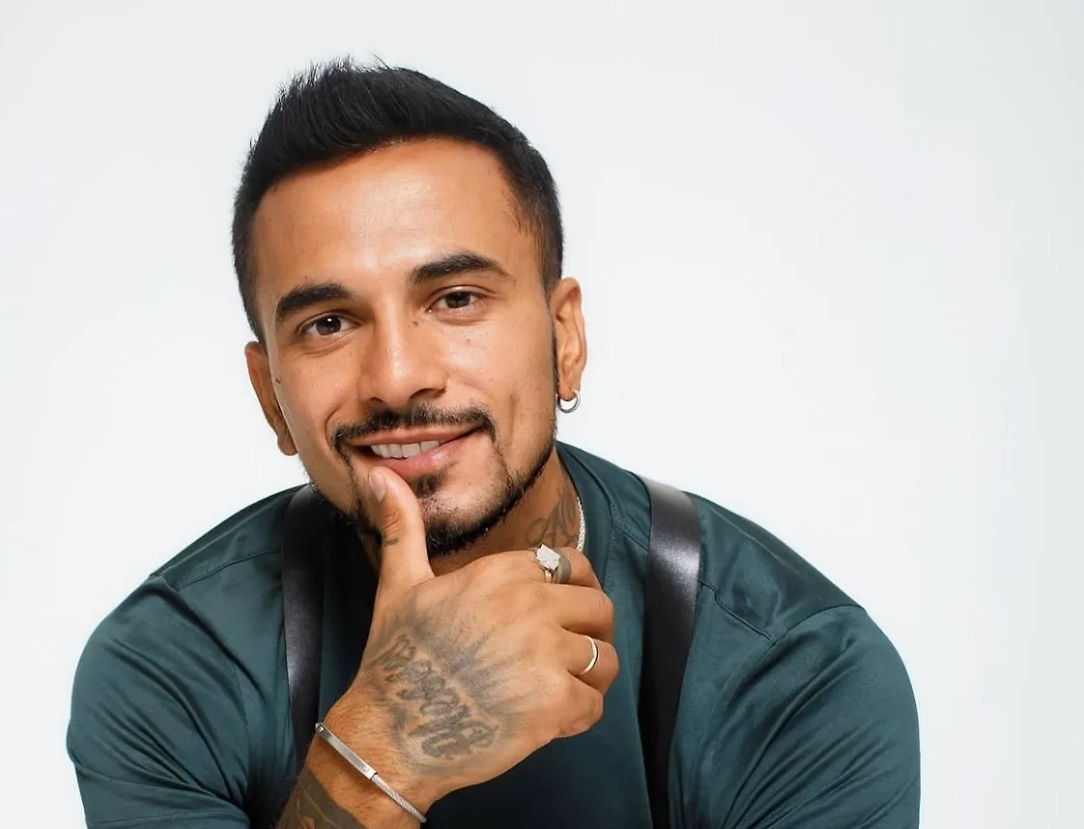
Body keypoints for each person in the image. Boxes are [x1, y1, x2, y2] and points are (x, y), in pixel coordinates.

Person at [66, 59, 920, 829]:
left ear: (564, 338)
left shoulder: (793, 671)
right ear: (271, 398)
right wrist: (386, 745)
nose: (396, 377)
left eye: (456, 299)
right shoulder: (172, 669)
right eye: (329, 323)